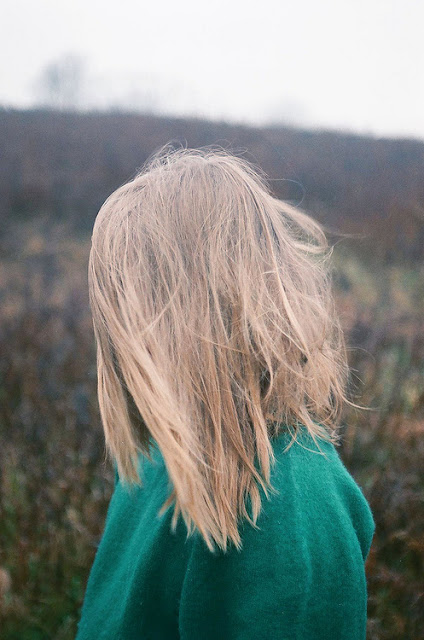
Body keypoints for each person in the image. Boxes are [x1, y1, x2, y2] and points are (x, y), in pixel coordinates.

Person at [75, 143, 375, 640]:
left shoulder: (294, 514)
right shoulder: (160, 457)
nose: (112, 336)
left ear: (184, 319)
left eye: (127, 309)